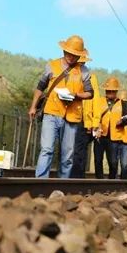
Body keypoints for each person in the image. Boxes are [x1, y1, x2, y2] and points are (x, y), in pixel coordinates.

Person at [28, 35, 93, 178]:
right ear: (64, 51)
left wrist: (75, 95)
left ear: (79, 56)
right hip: (51, 112)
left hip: (72, 117)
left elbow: (90, 93)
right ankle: (40, 182)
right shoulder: (52, 66)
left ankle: (62, 184)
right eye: (70, 53)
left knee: (67, 155)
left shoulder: (84, 71)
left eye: (75, 55)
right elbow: (40, 87)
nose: (71, 57)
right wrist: (33, 107)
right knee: (47, 149)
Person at [70, 49, 101, 178]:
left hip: (83, 120)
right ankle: (69, 177)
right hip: (70, 116)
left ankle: (77, 179)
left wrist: (95, 123)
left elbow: (96, 101)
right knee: (69, 150)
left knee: (79, 151)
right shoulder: (70, 75)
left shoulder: (91, 78)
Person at [95, 76, 121, 178]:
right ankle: (99, 179)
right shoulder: (99, 101)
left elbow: (126, 118)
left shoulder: (121, 103)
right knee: (98, 159)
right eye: (108, 90)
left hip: (114, 136)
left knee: (113, 161)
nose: (110, 93)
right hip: (100, 134)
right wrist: (97, 127)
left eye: (112, 91)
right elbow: (95, 115)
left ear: (116, 91)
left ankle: (111, 179)